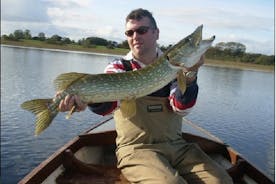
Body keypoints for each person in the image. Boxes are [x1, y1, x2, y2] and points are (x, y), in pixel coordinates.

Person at [57, 8, 233, 184]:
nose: (135, 36)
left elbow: (181, 108)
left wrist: (190, 74)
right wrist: (87, 101)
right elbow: (108, 106)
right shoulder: (118, 68)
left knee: (222, 181)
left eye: (142, 30)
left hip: (176, 146)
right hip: (136, 149)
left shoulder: (173, 67)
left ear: (156, 33)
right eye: (130, 32)